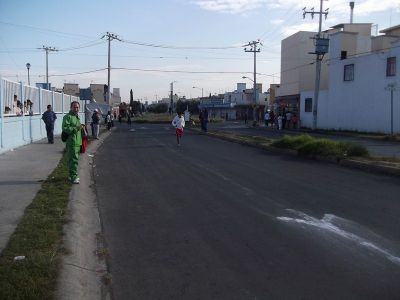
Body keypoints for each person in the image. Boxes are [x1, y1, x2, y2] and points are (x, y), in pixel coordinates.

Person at [62, 101, 84, 184]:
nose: (76, 109)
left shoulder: (77, 117)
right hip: (72, 142)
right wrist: (76, 128)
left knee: (74, 160)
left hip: (78, 142)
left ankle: (71, 175)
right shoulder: (67, 117)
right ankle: (73, 176)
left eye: (77, 107)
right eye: (74, 107)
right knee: (73, 160)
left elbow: (77, 128)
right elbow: (65, 128)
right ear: (71, 108)